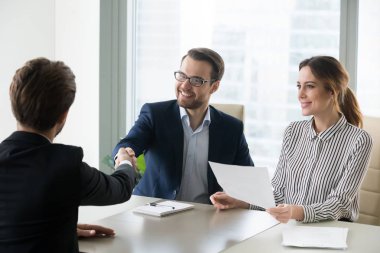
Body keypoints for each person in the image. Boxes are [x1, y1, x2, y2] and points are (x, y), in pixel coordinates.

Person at [210, 56, 373, 223]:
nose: (300, 94)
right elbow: (280, 194)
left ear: (332, 91)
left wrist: (297, 212)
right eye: (298, 86)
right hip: (291, 228)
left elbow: (339, 204)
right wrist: (242, 201)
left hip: (333, 232)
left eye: (309, 86)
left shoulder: (359, 140)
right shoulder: (293, 131)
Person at [0, 58, 139, 253]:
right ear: (63, 115)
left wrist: (59, 230)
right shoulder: (66, 167)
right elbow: (121, 188)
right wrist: (125, 161)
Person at [112, 47, 254, 204]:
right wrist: (124, 154)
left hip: (206, 217)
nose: (185, 85)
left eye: (196, 80)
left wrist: (236, 198)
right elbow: (129, 143)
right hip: (153, 212)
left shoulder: (231, 129)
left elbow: (249, 184)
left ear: (214, 87)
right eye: (182, 76)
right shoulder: (155, 114)